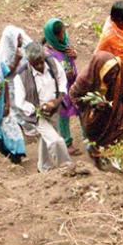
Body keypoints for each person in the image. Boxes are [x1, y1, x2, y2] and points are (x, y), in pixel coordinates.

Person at [70, 52, 123, 168]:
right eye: (110, 74)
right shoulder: (85, 80)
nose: (114, 77)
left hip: (117, 109)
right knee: (98, 141)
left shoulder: (120, 71)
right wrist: (93, 104)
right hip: (96, 116)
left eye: (115, 73)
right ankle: (101, 162)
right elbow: (74, 95)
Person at [12, 42, 72, 172]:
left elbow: (62, 81)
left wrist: (57, 101)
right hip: (39, 115)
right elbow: (19, 101)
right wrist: (38, 108)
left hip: (55, 109)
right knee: (56, 141)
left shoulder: (52, 63)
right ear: (29, 61)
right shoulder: (21, 76)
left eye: (41, 61)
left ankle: (43, 167)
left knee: (47, 139)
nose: (39, 65)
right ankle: (66, 167)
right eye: (35, 63)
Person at [43, 18, 82, 156]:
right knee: (64, 114)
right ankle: (67, 142)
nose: (62, 36)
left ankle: (88, 137)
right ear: (52, 36)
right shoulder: (47, 53)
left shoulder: (64, 42)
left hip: (73, 83)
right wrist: (63, 73)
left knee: (81, 108)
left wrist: (74, 55)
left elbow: (70, 57)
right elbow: (49, 73)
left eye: (63, 32)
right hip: (60, 87)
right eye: (59, 34)